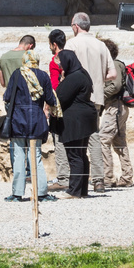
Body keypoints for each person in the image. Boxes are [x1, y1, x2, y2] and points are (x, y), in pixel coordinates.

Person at [66, 12, 115, 194]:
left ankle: (77, 182)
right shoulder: (101, 45)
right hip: (96, 99)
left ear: (76, 26)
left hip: (77, 98)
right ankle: (99, 180)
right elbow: (112, 74)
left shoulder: (72, 44)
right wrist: (96, 78)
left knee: (76, 140)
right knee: (93, 137)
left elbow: (66, 69)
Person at [2, 48, 57, 202]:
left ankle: (17, 193)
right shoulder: (43, 76)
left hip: (18, 119)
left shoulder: (17, 74)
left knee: (18, 156)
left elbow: (7, 97)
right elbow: (50, 99)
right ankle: (41, 193)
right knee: (36, 157)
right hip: (36, 119)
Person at [53, 49, 98, 198]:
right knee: (81, 154)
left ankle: (74, 191)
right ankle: (81, 190)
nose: (60, 65)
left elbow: (61, 96)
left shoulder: (74, 77)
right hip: (84, 117)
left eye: (61, 62)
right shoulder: (82, 73)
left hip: (75, 120)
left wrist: (61, 82)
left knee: (74, 155)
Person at [98, 37, 134, 188]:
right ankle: (127, 177)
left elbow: (116, 85)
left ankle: (107, 177)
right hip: (119, 108)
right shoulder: (115, 64)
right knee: (119, 142)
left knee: (102, 139)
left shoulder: (114, 65)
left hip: (115, 107)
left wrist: (100, 94)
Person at [46, 29, 69, 185]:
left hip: (60, 105)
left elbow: (54, 86)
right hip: (75, 102)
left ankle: (63, 177)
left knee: (59, 140)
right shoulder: (72, 57)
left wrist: (49, 106)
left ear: (54, 44)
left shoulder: (55, 61)